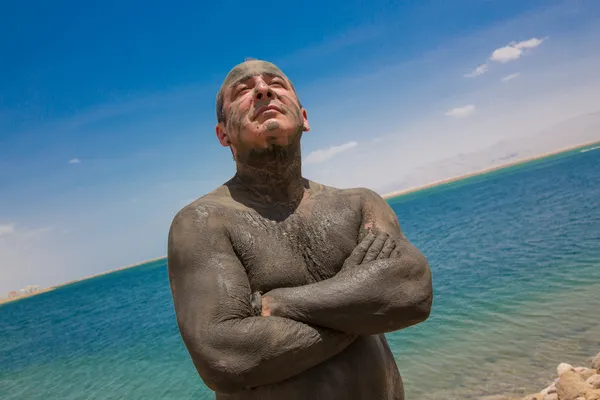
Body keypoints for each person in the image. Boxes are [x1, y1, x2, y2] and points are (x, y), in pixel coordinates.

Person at [167, 59, 433, 400]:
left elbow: (412, 292)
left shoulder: (361, 204)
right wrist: (361, 308)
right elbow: (224, 356)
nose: (262, 90)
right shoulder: (202, 222)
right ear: (223, 135)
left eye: (276, 84)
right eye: (243, 90)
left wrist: (280, 303)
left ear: (304, 118)